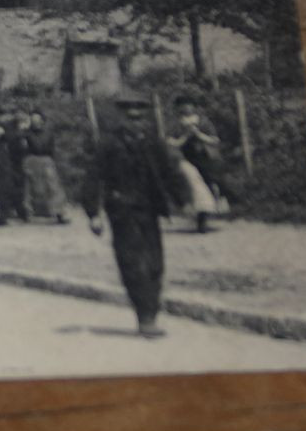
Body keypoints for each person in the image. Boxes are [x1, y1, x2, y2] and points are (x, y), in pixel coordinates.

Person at [82, 91, 191, 339]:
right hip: (121, 209)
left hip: (149, 208)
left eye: (139, 116)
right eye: (130, 117)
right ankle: (145, 317)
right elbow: (94, 177)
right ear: (121, 117)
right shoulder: (108, 144)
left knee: (155, 263)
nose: (135, 122)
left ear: (145, 117)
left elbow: (170, 171)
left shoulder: (153, 142)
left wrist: (183, 200)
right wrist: (93, 213)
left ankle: (151, 311)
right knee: (132, 263)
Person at [169, 96, 226, 233]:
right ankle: (199, 219)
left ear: (194, 107)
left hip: (205, 158)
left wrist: (198, 134)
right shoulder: (176, 124)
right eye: (182, 105)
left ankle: (206, 216)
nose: (186, 108)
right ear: (178, 108)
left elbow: (214, 140)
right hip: (186, 158)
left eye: (189, 104)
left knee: (210, 184)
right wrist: (185, 137)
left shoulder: (204, 122)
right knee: (195, 186)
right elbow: (171, 143)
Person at [20, 110, 70, 223]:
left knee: (53, 186)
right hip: (31, 160)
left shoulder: (49, 133)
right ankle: (28, 212)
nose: (35, 122)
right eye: (33, 120)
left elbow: (52, 148)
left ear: (42, 121)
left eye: (38, 120)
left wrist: (52, 161)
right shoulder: (25, 133)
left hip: (46, 160)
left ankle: (59, 213)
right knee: (30, 187)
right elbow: (22, 148)